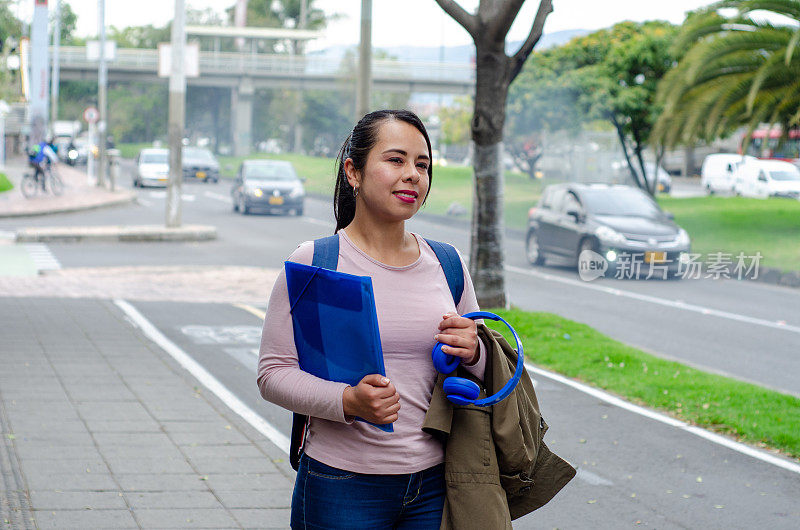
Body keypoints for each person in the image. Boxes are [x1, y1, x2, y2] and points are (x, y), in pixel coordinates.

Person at [258, 109, 487, 529]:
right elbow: (273, 373)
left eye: (423, 164)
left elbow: (487, 367)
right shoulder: (316, 261)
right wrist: (348, 401)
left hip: (435, 484)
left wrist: (475, 350)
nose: (413, 175)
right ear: (354, 172)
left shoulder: (448, 263)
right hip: (340, 485)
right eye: (396, 160)